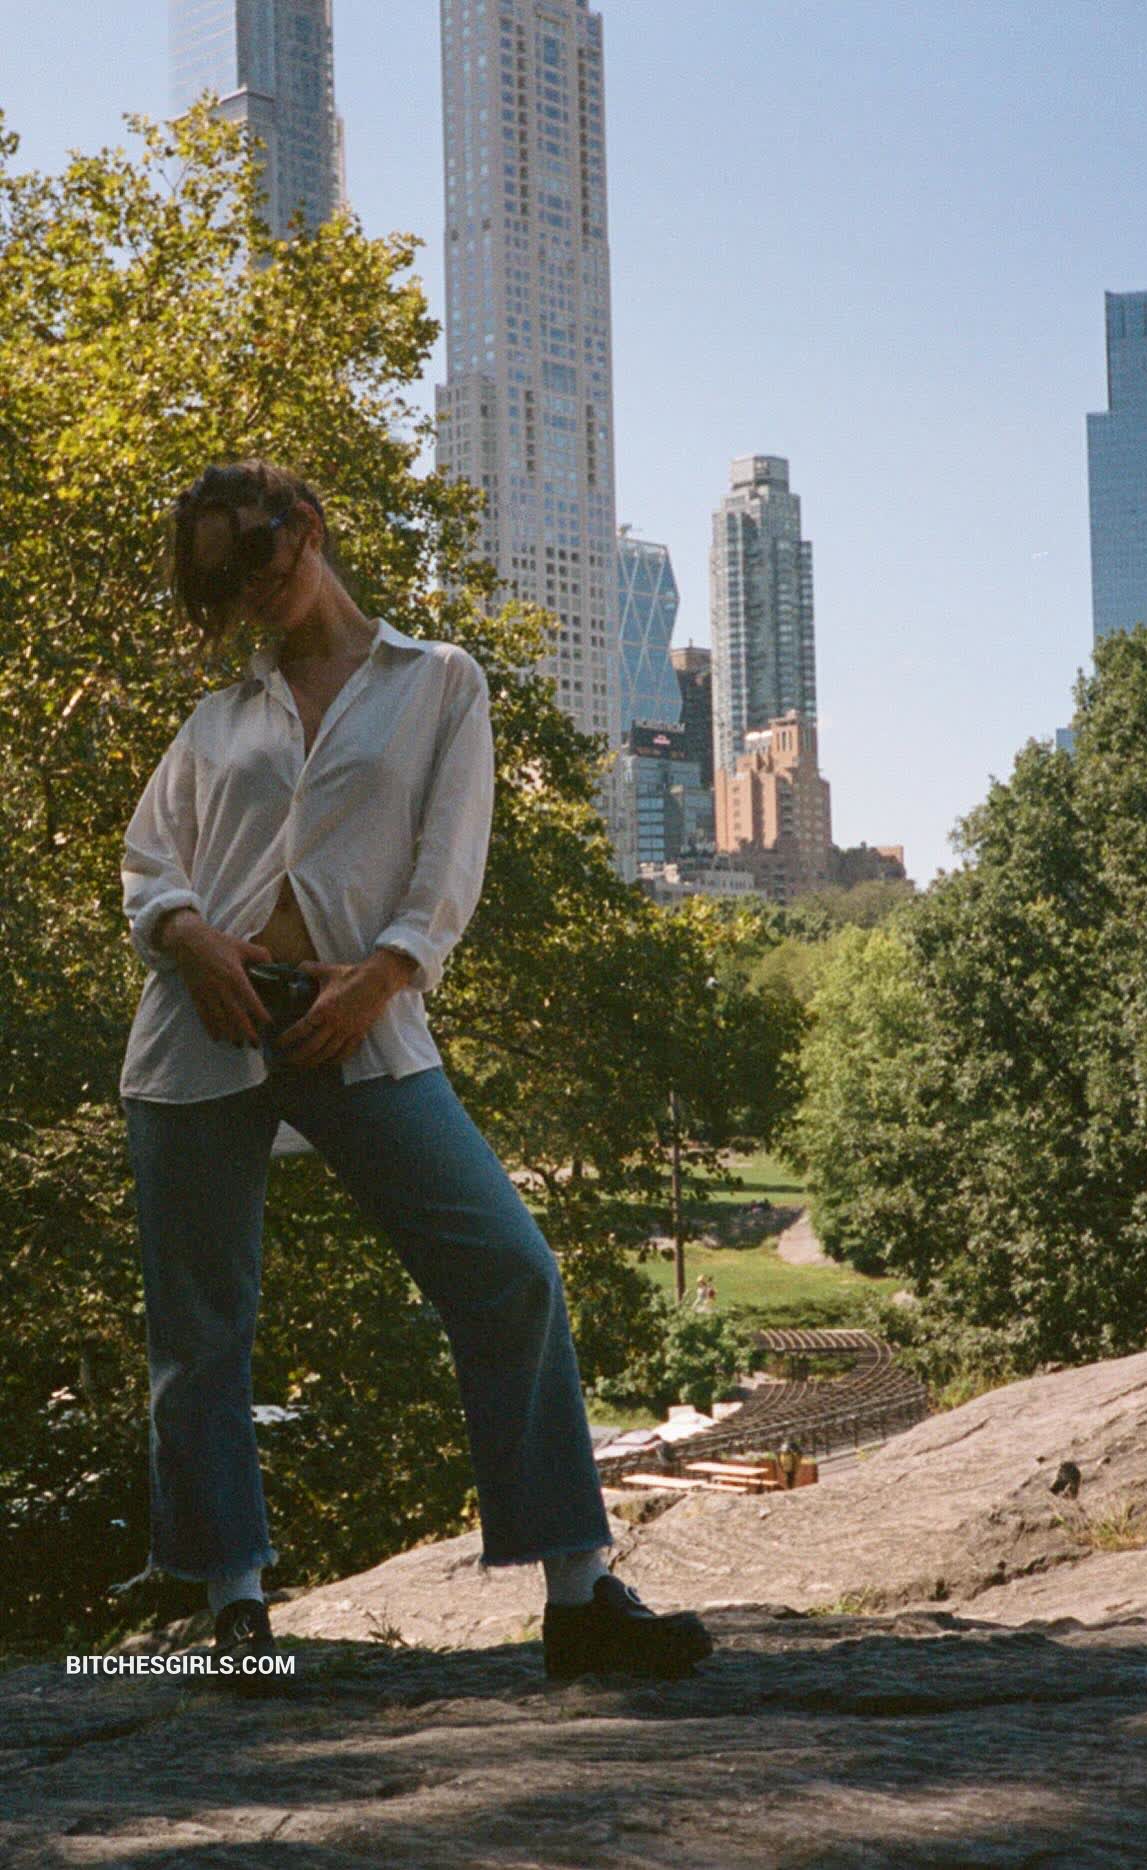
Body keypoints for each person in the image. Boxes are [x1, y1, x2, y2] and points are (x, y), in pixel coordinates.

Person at [112, 459, 712, 1689]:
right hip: (197, 1029)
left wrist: (384, 976)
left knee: (509, 1273)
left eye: (259, 559)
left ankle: (579, 1597)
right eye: (224, 585)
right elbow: (147, 857)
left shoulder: (438, 680)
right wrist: (188, 937)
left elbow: (451, 860)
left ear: (308, 526)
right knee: (200, 1329)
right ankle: (232, 1608)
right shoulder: (219, 718)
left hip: (356, 1020)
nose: (251, 594)